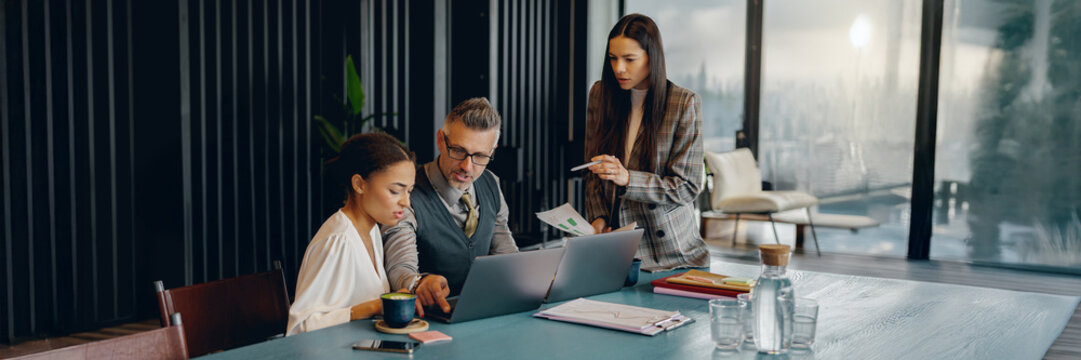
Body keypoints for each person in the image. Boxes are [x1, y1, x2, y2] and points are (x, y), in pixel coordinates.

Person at [584, 13, 708, 271]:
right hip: (616, 248)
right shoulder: (600, 94)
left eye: (630, 59)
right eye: (613, 58)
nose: (619, 68)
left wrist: (628, 179)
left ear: (652, 58)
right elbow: (593, 170)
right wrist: (597, 217)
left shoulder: (683, 103)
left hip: (671, 253)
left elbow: (687, 187)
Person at [382, 97, 518, 316]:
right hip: (430, 321)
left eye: (480, 156)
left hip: (484, 314)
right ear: (440, 140)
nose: (467, 166)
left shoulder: (491, 183)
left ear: (492, 152)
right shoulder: (408, 194)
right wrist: (419, 283)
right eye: (458, 150)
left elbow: (506, 253)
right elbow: (400, 268)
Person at [286, 132, 416, 335]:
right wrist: (371, 308)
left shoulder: (372, 230)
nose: (406, 202)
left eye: (409, 191)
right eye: (394, 191)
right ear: (359, 184)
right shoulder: (338, 241)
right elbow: (298, 328)